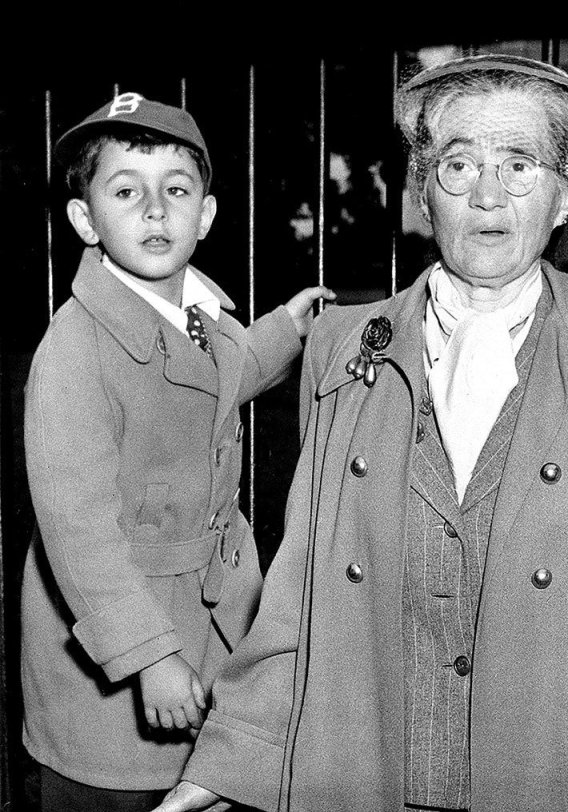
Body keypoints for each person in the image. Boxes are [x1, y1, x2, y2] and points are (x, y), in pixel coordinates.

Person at [154, 54, 568, 812]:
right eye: (458, 164)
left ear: (565, 195)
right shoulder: (340, 347)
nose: (487, 194)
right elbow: (302, 596)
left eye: (520, 164)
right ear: (423, 194)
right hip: (369, 771)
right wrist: (227, 762)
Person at [22, 92, 334, 812]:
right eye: (126, 190)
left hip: (210, 616)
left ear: (207, 215)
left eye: (177, 190)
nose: (156, 210)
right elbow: (80, 535)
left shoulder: (201, 313)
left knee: (205, 786)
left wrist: (284, 330)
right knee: (116, 793)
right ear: (84, 219)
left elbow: (221, 378)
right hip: (119, 648)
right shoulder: (75, 350)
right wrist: (149, 657)